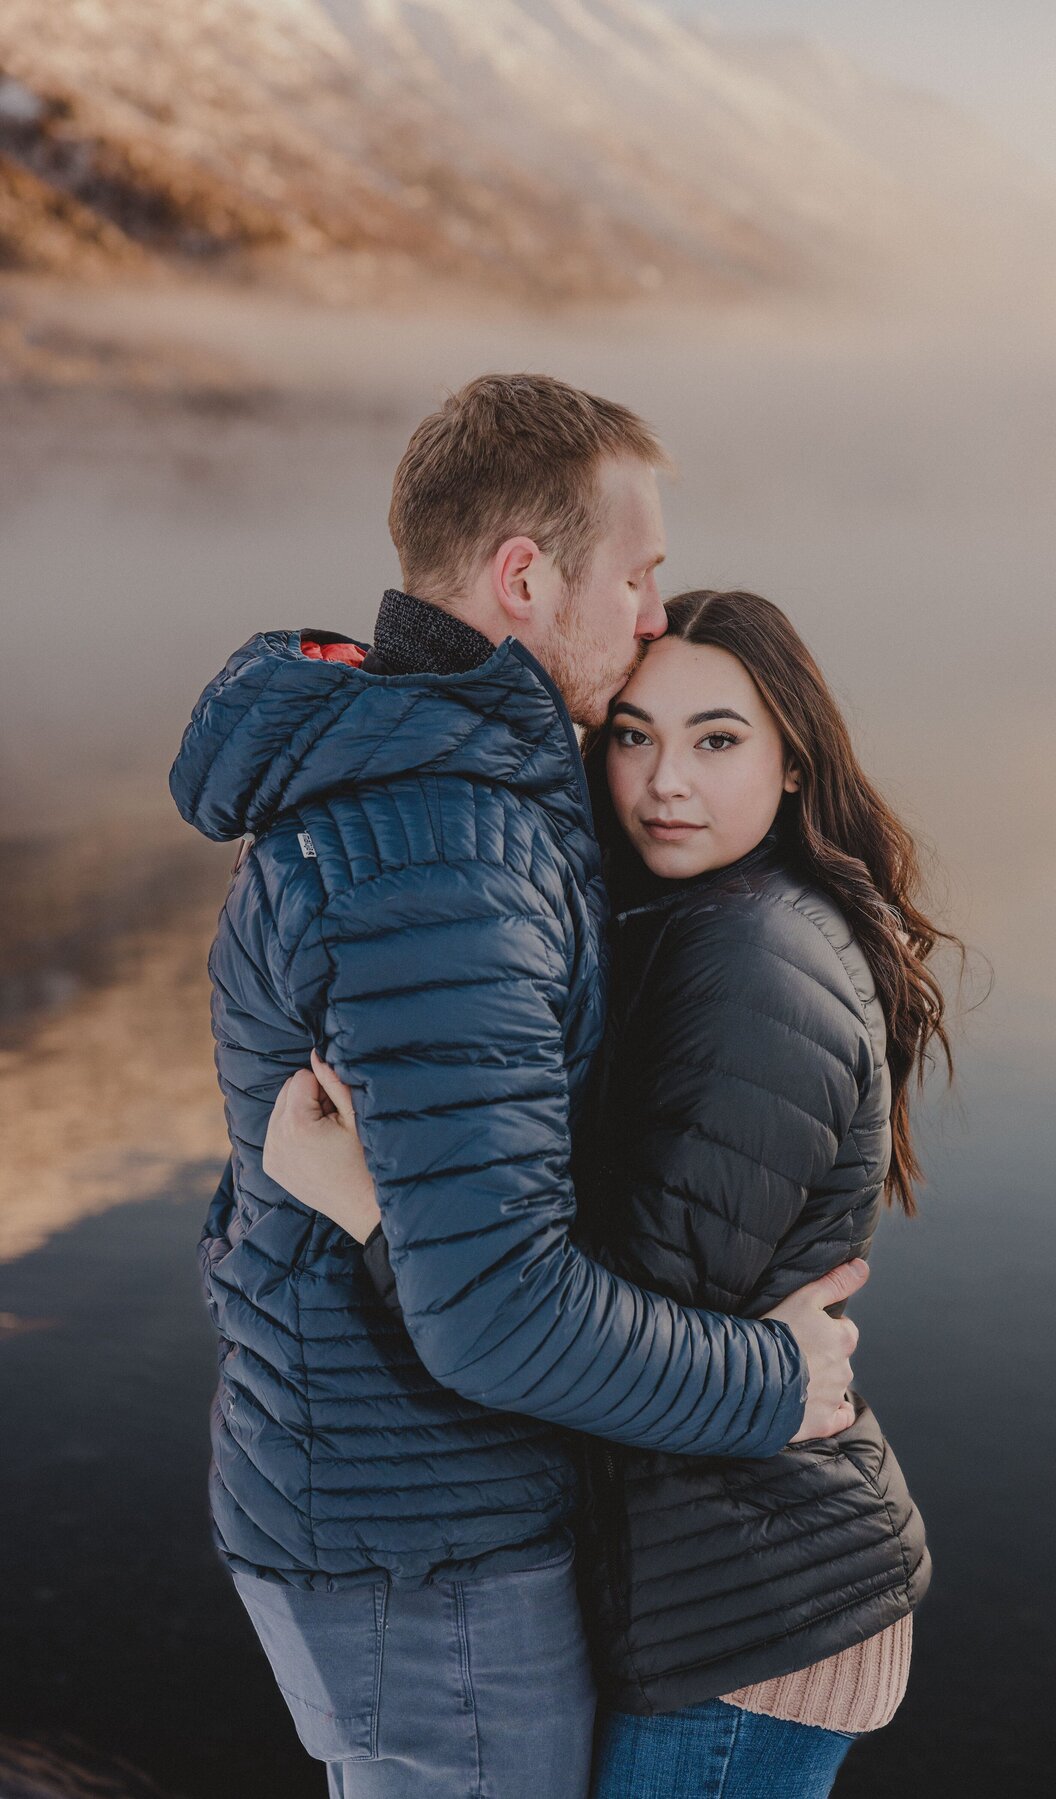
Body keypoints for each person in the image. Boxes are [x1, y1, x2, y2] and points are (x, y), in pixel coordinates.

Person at [169, 375, 872, 1799]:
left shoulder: (428, 786)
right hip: (422, 1542)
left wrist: (346, 1207)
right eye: (637, 575)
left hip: (382, 1500)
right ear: (525, 576)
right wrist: (773, 1376)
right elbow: (497, 1310)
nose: (655, 614)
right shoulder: (449, 853)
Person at [265, 588, 955, 1796]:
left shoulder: (755, 963)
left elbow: (597, 1338)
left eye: (716, 738)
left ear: (795, 761)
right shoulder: (691, 919)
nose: (662, 780)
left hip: (747, 1618)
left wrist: (375, 1202)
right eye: (631, 733)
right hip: (726, 1579)